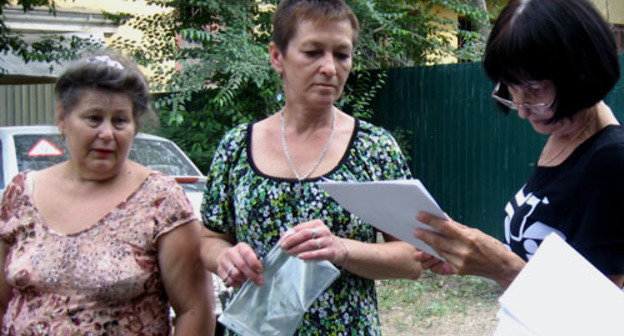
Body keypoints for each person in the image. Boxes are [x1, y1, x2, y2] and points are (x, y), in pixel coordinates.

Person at [200, 0, 423, 334]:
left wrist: (341, 249)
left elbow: (413, 258)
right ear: (277, 57)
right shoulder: (236, 148)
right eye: (313, 52)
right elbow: (209, 237)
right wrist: (224, 257)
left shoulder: (374, 148)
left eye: (342, 54)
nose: (330, 68)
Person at [414, 0, 624, 289]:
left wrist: (504, 268)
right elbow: (543, 262)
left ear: (581, 73)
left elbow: (599, 315)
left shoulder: (612, 162)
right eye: (511, 89)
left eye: (535, 90)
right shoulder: (564, 136)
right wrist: (475, 258)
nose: (523, 110)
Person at [0, 54, 215, 335]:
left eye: (120, 121)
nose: (107, 133)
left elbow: (195, 309)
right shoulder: (21, 194)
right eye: (93, 118)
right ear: (62, 119)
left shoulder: (161, 200)